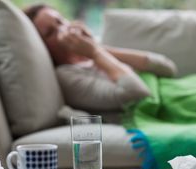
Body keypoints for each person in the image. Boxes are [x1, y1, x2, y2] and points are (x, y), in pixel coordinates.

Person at [23, 4, 177, 112]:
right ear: (41, 45)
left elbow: (167, 68)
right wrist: (95, 52)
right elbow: (138, 96)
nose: (63, 29)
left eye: (60, 21)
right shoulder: (66, 76)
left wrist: (96, 48)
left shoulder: (96, 55)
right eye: (50, 32)